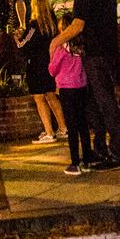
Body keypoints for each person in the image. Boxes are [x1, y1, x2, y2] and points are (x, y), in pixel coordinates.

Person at [50, 0, 120, 171]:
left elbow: (78, 24)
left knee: (103, 103)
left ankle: (116, 155)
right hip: (109, 49)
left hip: (94, 52)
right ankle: (101, 149)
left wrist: (57, 40)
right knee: (98, 102)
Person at [15, 0, 67, 143]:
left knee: (39, 98)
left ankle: (49, 132)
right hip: (50, 63)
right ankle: (63, 127)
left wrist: (18, 39)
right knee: (51, 95)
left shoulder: (33, 25)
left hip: (36, 65)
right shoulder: (52, 24)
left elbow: (23, 45)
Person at [48, 20, 92, 175]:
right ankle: (87, 159)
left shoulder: (61, 50)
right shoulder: (81, 49)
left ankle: (75, 162)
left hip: (67, 89)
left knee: (71, 126)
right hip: (81, 87)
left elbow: (52, 69)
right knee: (83, 125)